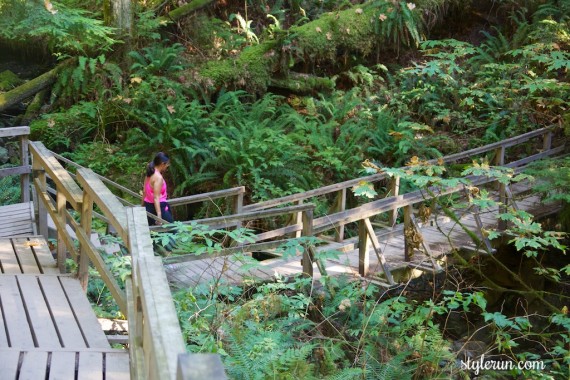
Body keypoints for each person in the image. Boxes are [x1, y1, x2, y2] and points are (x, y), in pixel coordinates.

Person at [142, 152, 173, 226]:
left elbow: (144, 191)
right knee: (173, 229)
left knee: (152, 233)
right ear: (162, 164)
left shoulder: (149, 173)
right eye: (167, 164)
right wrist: (159, 215)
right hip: (159, 208)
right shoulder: (158, 178)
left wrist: (142, 206)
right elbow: (156, 198)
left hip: (148, 206)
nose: (167, 167)